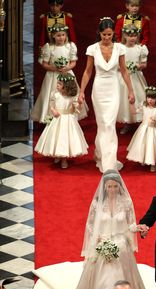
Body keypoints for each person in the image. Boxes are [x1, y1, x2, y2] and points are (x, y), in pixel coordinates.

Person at [31, 169, 156, 289]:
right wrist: (98, 240)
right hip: (103, 245)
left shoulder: (126, 202)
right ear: (104, 187)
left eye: (115, 186)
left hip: (121, 247)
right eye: (109, 187)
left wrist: (139, 228)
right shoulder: (97, 204)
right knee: (102, 282)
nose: (112, 190)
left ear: (119, 186)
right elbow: (90, 226)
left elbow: (130, 224)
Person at [78, 17, 135, 173]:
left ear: (113, 34)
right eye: (104, 35)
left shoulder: (119, 48)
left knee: (109, 124)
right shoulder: (92, 49)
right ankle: (100, 154)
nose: (106, 38)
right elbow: (88, 71)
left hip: (114, 89)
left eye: (109, 35)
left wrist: (131, 91)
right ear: (99, 33)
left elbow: (124, 71)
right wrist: (81, 92)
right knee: (103, 124)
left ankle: (108, 163)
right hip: (99, 89)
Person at [31, 22, 88, 123]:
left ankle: (68, 115)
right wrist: (54, 68)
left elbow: (73, 62)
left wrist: (67, 68)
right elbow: (44, 64)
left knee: (68, 94)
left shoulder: (70, 46)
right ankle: (50, 117)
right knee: (52, 96)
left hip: (67, 75)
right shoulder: (49, 47)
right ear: (53, 35)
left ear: (66, 35)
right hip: (53, 76)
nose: (61, 38)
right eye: (58, 35)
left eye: (63, 35)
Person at [34, 73, 88, 169]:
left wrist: (79, 104)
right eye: (57, 83)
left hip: (68, 120)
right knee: (56, 137)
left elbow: (76, 109)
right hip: (57, 119)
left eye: (59, 84)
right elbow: (51, 105)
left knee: (65, 138)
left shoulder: (72, 97)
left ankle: (64, 159)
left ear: (66, 86)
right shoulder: (55, 95)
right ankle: (57, 155)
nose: (57, 85)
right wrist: (54, 111)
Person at [126, 86, 156, 172]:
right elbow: (134, 112)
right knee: (143, 144)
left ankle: (153, 163)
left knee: (152, 146)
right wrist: (131, 104)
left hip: (153, 130)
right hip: (144, 128)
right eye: (148, 97)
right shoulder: (144, 106)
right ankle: (144, 159)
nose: (149, 100)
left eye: (152, 98)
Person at [117, 24, 148, 134]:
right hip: (123, 78)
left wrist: (137, 66)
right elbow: (116, 64)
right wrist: (123, 68)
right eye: (129, 36)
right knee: (125, 100)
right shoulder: (120, 48)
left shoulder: (140, 48)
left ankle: (140, 121)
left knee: (139, 97)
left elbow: (144, 64)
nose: (132, 38)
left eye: (134, 36)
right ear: (124, 36)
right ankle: (127, 123)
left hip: (136, 77)